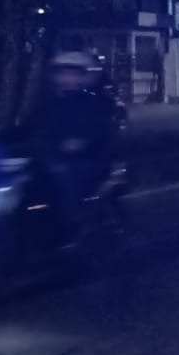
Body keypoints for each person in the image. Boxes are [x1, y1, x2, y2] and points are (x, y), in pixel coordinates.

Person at [31, 51, 117, 245]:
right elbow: (34, 125)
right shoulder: (49, 102)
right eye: (62, 73)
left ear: (82, 77)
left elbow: (102, 132)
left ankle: (75, 224)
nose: (67, 79)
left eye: (73, 74)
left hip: (88, 160)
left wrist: (81, 143)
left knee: (63, 175)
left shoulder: (93, 102)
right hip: (52, 158)